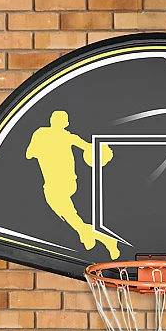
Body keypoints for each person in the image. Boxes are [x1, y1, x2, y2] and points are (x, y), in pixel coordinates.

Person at [25, 109, 120, 258]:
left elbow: (29, 154)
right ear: (66, 123)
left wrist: (103, 153)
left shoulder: (42, 134)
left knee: (64, 211)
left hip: (57, 183)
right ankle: (90, 235)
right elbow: (87, 146)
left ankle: (102, 238)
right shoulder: (67, 136)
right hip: (67, 182)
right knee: (67, 213)